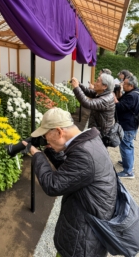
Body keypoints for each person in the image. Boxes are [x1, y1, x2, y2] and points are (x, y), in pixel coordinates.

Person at [23, 107, 117, 257]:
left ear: (59, 131)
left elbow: (53, 185)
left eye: (46, 135)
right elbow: (72, 174)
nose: (45, 139)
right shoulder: (89, 142)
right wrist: (51, 150)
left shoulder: (84, 154)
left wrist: (37, 155)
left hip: (83, 240)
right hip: (88, 228)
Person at [71, 74, 115, 143]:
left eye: (97, 81)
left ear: (105, 86)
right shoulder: (102, 93)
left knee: (96, 151)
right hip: (96, 129)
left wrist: (76, 88)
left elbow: (87, 103)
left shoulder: (106, 99)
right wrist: (79, 84)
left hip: (100, 134)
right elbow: (89, 92)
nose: (94, 83)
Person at [114, 75, 139, 178]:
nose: (123, 85)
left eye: (124, 84)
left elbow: (120, 107)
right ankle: (129, 164)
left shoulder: (132, 96)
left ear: (131, 85)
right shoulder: (134, 93)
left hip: (128, 125)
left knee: (125, 147)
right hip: (132, 125)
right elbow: (123, 101)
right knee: (129, 146)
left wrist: (114, 98)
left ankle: (128, 172)